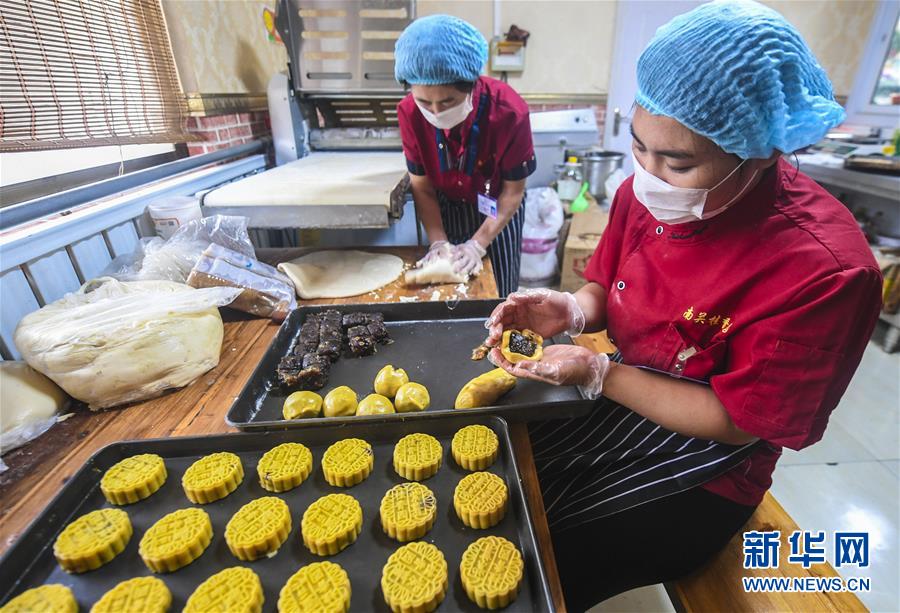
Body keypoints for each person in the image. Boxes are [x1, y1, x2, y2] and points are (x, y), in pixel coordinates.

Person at [484, 1, 883, 609]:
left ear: (761, 151)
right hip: (629, 390)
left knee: (537, 555)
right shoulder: (644, 194)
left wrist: (599, 372)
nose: (647, 175)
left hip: (712, 466)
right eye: (640, 147)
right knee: (502, 474)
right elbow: (604, 287)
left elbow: (739, 421)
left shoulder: (823, 270)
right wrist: (570, 310)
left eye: (678, 161)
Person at [394, 15, 536, 296]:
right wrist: (438, 241)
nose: (435, 112)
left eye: (447, 101)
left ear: (472, 85)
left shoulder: (509, 112)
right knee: (449, 292)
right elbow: (421, 186)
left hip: (497, 207)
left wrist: (478, 244)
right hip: (445, 205)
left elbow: (512, 192)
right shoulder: (409, 112)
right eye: (424, 101)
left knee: (497, 293)